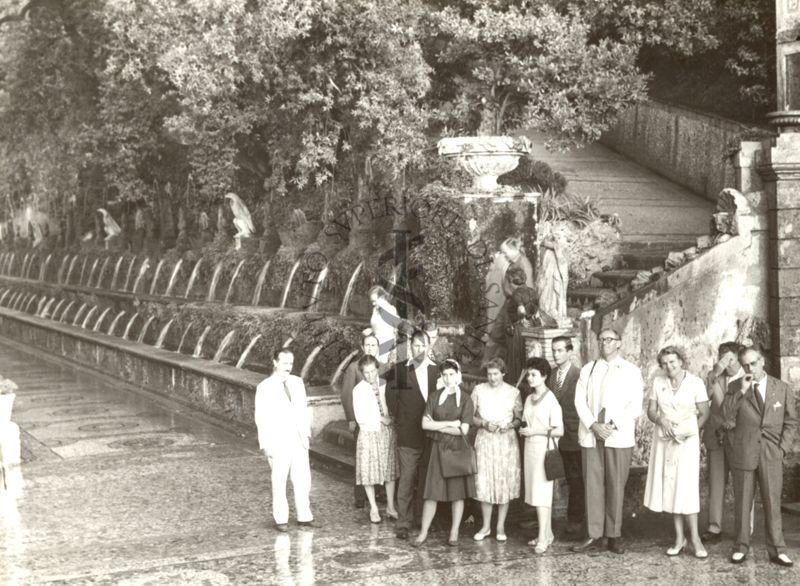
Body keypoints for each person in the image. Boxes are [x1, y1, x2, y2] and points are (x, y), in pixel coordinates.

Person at [722, 347, 798, 566]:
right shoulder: (736, 386)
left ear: (762, 362)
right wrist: (741, 391)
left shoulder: (781, 388)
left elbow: (791, 421)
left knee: (773, 502)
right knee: (743, 502)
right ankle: (740, 546)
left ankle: (777, 549)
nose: (750, 368)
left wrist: (782, 448)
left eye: (753, 363)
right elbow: (725, 415)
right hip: (744, 451)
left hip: (771, 452)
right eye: (745, 365)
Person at [572, 328, 643, 555]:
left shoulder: (631, 370)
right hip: (592, 434)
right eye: (601, 340)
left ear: (619, 343)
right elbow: (579, 401)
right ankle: (594, 534)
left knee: (615, 484)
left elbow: (635, 404)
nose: (604, 343)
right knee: (592, 485)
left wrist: (610, 426)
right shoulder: (588, 369)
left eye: (609, 340)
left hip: (617, 435)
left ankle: (613, 535)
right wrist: (594, 425)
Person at [643, 346, 710, 558]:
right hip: (664, 440)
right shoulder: (658, 382)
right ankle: (679, 538)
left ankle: (696, 539)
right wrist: (660, 419)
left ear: (681, 361)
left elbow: (705, 412)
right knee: (671, 487)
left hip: (687, 441)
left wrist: (689, 432)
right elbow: (651, 411)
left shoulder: (695, 382)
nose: (668, 367)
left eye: (672, 362)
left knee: (687, 488)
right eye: (664, 363)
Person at [413, 359, 476, 547]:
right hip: (437, 450)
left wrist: (437, 427)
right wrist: (450, 424)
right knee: (431, 493)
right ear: (441, 377)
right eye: (445, 375)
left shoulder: (465, 399)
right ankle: (423, 532)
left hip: (456, 451)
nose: (448, 379)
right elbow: (425, 424)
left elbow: (463, 430)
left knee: (457, 494)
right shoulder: (434, 397)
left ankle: (454, 532)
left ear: (458, 375)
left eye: (451, 374)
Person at [254, 347, 318, 531]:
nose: (288, 367)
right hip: (278, 440)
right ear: (275, 363)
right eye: (284, 363)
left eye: (290, 363)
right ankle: (281, 519)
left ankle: (304, 516)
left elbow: (303, 410)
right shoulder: (264, 387)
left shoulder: (297, 383)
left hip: (298, 439)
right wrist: (265, 444)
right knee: (279, 480)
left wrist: (306, 434)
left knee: (303, 479)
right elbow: (261, 418)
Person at [385, 329, 438, 540]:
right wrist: (402, 420)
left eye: (423, 345)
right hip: (408, 434)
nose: (419, 349)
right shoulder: (399, 371)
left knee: (427, 479)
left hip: (432, 436)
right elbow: (391, 399)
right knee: (406, 479)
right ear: (410, 346)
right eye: (415, 345)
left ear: (428, 346)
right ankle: (404, 523)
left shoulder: (437, 370)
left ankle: (422, 520)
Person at [471, 358, 523, 543]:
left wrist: (509, 425)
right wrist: (484, 423)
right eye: (489, 374)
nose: (492, 378)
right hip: (485, 441)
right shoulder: (478, 390)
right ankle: (486, 526)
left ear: (503, 373)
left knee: (503, 483)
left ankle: (500, 525)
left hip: (506, 442)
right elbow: (471, 416)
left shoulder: (513, 392)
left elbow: (519, 419)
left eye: (496, 374)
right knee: (485, 483)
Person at [340, 329, 391, 509]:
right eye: (367, 345)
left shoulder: (383, 367)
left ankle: (380, 491)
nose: (370, 348)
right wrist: (351, 419)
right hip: (362, 420)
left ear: (378, 348)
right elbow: (346, 395)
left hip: (381, 422)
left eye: (373, 345)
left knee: (380, 456)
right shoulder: (354, 367)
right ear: (362, 347)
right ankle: (360, 495)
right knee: (362, 458)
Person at [520, 357, 564, 554]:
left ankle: (544, 538)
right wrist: (525, 430)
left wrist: (535, 431)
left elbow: (559, 430)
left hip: (543, 451)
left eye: (534, 374)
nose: (530, 378)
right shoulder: (529, 398)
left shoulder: (551, 400)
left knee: (542, 495)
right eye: (528, 374)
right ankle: (547, 533)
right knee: (535, 493)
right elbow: (524, 421)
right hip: (529, 449)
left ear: (544, 376)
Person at [702, 341, 744, 542]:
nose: (726, 363)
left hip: (739, 437)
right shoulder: (714, 377)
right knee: (716, 482)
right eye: (723, 358)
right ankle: (714, 527)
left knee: (742, 485)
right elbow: (705, 396)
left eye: (730, 359)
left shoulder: (748, 377)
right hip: (716, 436)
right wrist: (714, 373)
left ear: (738, 358)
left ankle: (744, 529)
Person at [352, 355, 399, 523]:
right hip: (369, 433)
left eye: (373, 371)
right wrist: (381, 418)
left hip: (386, 432)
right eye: (367, 373)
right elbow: (361, 417)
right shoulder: (358, 390)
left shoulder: (385, 384)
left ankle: (391, 507)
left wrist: (390, 418)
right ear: (362, 373)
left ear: (378, 369)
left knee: (389, 471)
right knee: (368, 471)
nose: (370, 376)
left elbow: (390, 405)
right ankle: (373, 508)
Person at [547, 336, 584, 538]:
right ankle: (546, 517)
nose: (556, 354)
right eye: (554, 350)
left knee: (575, 478)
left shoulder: (580, 375)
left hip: (573, 434)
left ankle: (576, 520)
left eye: (560, 350)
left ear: (570, 351)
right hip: (553, 434)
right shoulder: (551, 375)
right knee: (553, 474)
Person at [486, 238, 534, 362]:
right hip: (508, 304)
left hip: (517, 306)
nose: (503, 255)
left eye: (505, 252)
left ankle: (504, 364)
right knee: (497, 333)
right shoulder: (512, 263)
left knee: (510, 337)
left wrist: (521, 308)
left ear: (513, 250)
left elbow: (526, 290)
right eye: (502, 252)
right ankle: (496, 363)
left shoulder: (523, 264)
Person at [504, 265, 539, 386]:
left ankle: (517, 387)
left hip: (519, 329)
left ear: (513, 281)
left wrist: (522, 317)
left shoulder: (516, 294)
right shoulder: (532, 292)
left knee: (517, 359)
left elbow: (521, 309)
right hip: (532, 327)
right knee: (528, 357)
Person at [368, 285, 400, 364]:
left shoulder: (390, 310)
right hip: (375, 343)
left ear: (382, 298)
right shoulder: (375, 309)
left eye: (374, 301)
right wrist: (371, 330)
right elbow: (378, 325)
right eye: (372, 301)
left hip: (386, 345)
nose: (373, 303)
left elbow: (396, 330)